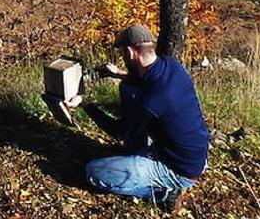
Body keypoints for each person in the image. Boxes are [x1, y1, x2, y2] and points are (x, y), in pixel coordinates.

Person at [63, 24, 209, 211]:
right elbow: (144, 81)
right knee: (128, 90)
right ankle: (145, 163)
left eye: (123, 54)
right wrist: (118, 74)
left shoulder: (152, 100)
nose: (123, 59)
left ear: (131, 52)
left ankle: (164, 193)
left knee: (94, 172)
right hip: (195, 154)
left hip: (180, 169)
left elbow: (119, 132)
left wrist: (85, 104)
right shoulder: (171, 65)